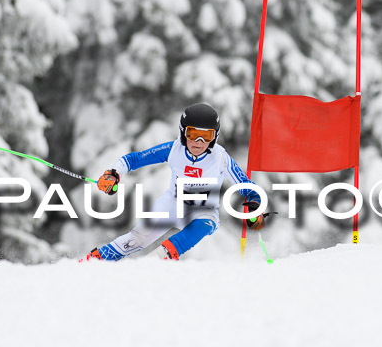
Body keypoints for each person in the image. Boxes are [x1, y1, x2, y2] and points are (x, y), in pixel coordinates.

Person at [83, 102, 265, 261]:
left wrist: (255, 205)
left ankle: (157, 259)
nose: (199, 142)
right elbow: (134, 159)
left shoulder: (220, 157)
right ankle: (98, 260)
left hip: (203, 210)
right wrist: (114, 173)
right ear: (183, 132)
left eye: (206, 136)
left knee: (205, 224)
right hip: (172, 204)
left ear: (214, 137)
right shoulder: (174, 149)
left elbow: (245, 185)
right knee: (139, 238)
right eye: (193, 134)